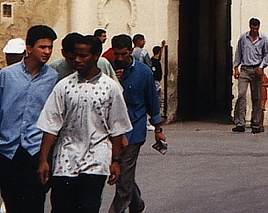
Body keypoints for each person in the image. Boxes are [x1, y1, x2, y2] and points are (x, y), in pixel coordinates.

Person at [36, 35, 132, 213]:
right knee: (62, 207)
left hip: (96, 158)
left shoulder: (110, 88)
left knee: (88, 206)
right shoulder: (63, 86)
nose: (78, 60)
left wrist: (116, 161)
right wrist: (43, 160)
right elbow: (51, 124)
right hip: (65, 158)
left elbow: (117, 126)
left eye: (83, 56)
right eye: (75, 56)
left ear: (96, 56)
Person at [0, 25, 57, 213]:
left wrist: (46, 158)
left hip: (35, 151)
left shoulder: (53, 78)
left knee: (34, 203)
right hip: (8, 149)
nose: (47, 52)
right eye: (42, 47)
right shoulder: (7, 76)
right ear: (29, 48)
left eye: (50, 47)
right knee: (12, 202)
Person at [109, 34, 166, 213]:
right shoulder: (108, 71)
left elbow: (152, 101)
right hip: (113, 130)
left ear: (131, 51)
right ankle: (136, 203)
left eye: (123, 54)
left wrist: (158, 128)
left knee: (124, 172)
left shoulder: (143, 72)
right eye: (116, 54)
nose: (119, 59)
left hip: (134, 129)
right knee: (124, 172)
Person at [232, 18, 268, 134]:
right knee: (242, 94)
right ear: (249, 26)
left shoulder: (263, 39)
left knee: (257, 97)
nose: (254, 30)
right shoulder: (243, 38)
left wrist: (262, 67)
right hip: (245, 68)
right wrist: (236, 68)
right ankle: (240, 123)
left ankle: (256, 123)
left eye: (256, 28)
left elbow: (266, 54)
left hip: (257, 68)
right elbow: (238, 52)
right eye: (252, 28)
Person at [50, 32, 118, 80]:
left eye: (82, 56)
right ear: (64, 53)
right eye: (72, 58)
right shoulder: (54, 68)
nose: (77, 60)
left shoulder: (103, 63)